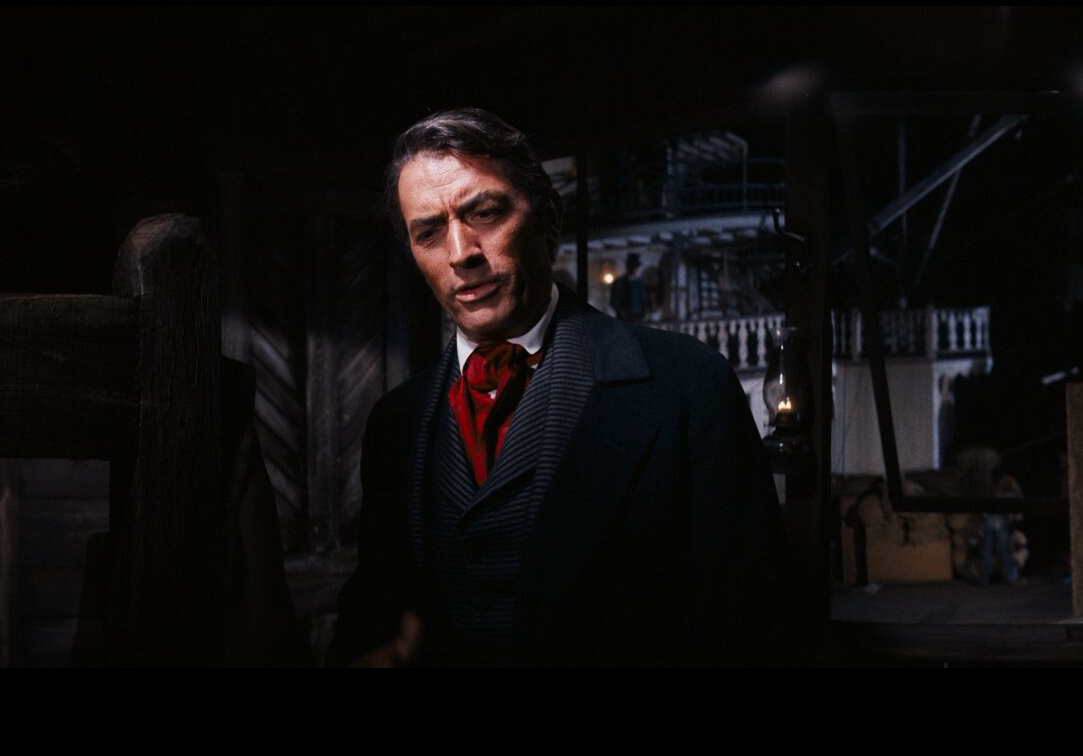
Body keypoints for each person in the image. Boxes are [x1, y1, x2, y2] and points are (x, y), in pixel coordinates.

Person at [329, 109, 787, 666]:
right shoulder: (395, 422)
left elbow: (747, 621)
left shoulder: (688, 385)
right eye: (429, 233)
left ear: (548, 217)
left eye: (485, 213)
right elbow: (373, 608)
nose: (460, 252)